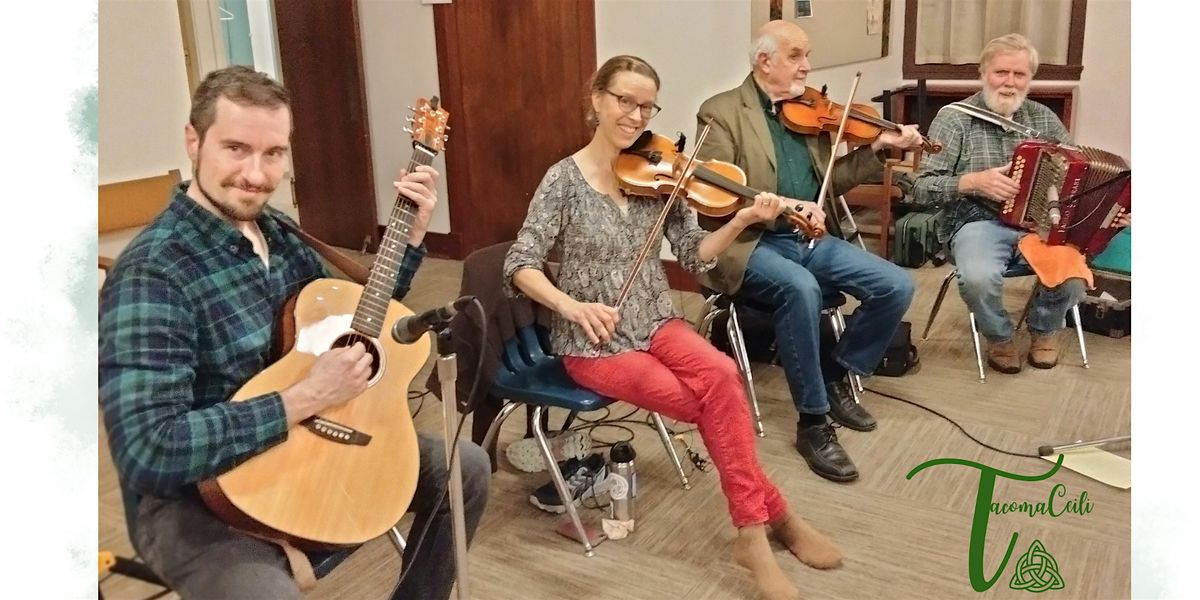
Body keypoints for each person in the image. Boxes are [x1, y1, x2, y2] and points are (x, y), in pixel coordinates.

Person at [98, 66, 489, 600]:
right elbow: (149, 451)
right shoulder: (153, 274)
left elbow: (353, 316)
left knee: (465, 468)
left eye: (274, 153)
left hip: (305, 440)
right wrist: (306, 396)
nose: (256, 174)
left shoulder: (276, 232)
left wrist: (411, 237)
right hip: (198, 497)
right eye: (236, 148)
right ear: (193, 140)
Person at [503, 54, 843, 600]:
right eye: (625, 101)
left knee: (722, 376)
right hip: (594, 342)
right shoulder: (562, 180)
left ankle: (753, 530)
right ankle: (772, 519)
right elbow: (519, 262)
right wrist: (571, 306)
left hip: (656, 320)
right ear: (596, 99)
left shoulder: (660, 177)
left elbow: (694, 254)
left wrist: (741, 218)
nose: (637, 116)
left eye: (647, 106)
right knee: (707, 402)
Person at [693, 20, 922, 482]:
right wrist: (778, 205)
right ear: (765, 61)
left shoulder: (808, 112)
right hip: (750, 241)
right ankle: (813, 422)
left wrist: (880, 148)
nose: (807, 66)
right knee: (800, 289)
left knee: (896, 285)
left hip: (807, 236)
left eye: (807, 55)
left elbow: (830, 184)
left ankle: (835, 374)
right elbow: (714, 191)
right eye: (796, 55)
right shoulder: (720, 112)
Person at [911, 33, 1131, 374]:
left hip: (1039, 224)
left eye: (1019, 74)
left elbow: (1077, 178)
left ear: (1030, 78)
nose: (1010, 82)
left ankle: (1044, 329)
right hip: (976, 221)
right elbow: (920, 188)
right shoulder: (954, 119)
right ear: (983, 73)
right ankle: (999, 336)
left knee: (1073, 277)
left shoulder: (1043, 118)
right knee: (979, 278)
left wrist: (1109, 211)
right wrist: (972, 182)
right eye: (1001, 72)